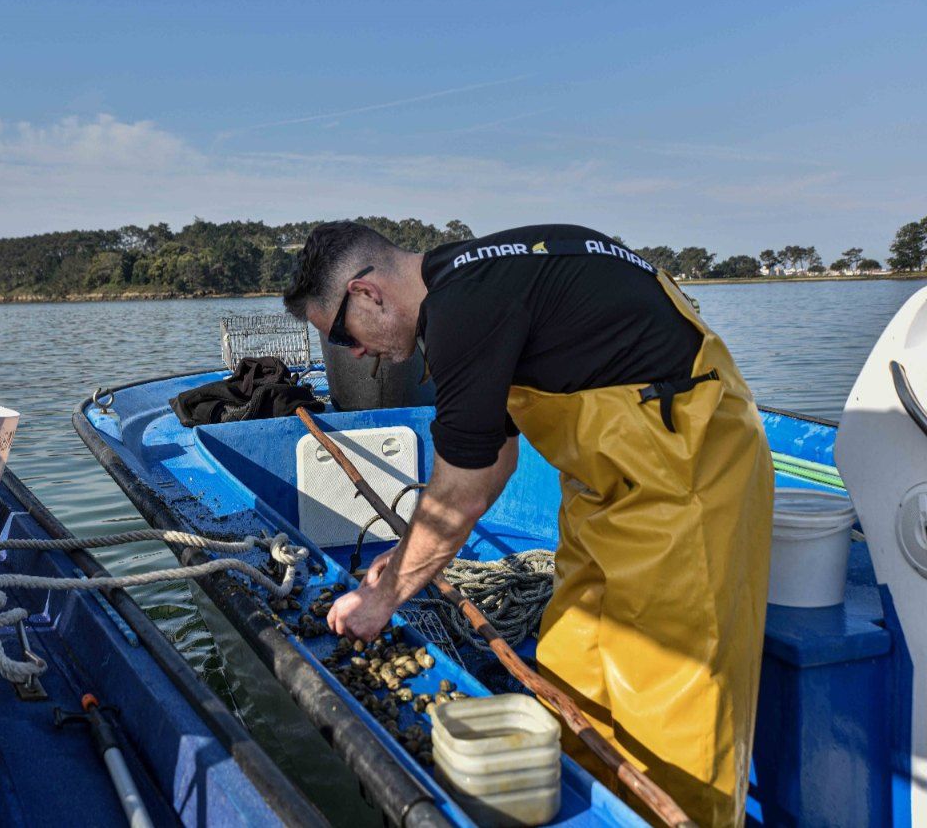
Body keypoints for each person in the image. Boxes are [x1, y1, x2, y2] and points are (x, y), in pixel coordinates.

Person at [283, 221, 773, 827]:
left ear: (367, 294)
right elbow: (492, 462)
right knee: (574, 653)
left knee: (675, 686)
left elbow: (461, 494)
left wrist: (384, 596)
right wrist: (409, 556)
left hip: (687, 472)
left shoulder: (464, 306)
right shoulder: (466, 287)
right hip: (608, 486)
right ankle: (598, 807)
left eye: (341, 335)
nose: (352, 353)